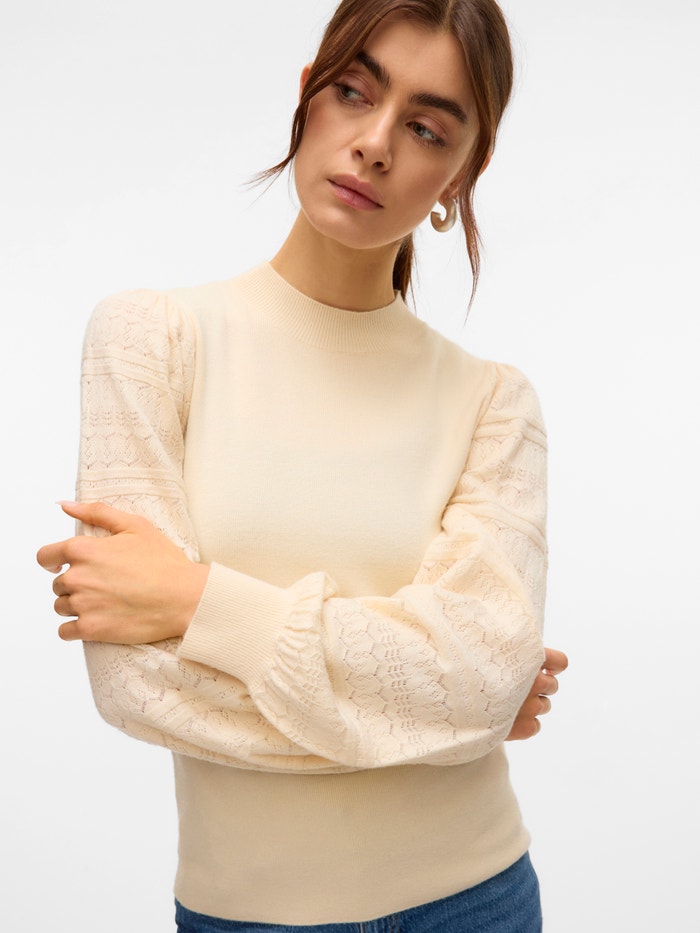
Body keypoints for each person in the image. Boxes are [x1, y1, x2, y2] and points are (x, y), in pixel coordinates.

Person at [37, 0, 569, 930]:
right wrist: (435, 710)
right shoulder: (151, 341)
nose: (374, 144)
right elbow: (138, 687)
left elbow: (484, 680)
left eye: (426, 128)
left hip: (475, 899)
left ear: (460, 174)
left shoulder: (495, 403)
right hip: (241, 913)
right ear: (306, 97)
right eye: (355, 92)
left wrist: (197, 600)